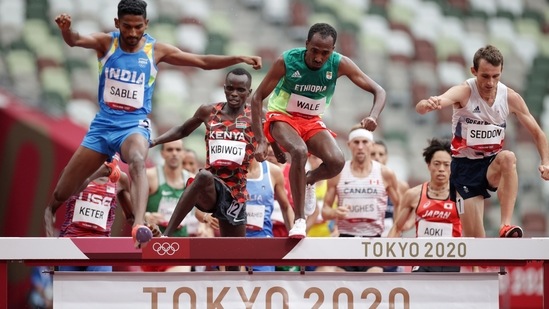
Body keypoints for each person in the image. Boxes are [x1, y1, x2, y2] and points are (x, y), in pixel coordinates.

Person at [45, 0, 261, 247]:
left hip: (133, 125)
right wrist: (65, 30)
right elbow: (75, 39)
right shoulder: (107, 43)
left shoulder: (155, 50)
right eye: (127, 27)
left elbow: (201, 61)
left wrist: (238, 57)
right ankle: (50, 210)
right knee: (64, 190)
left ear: (146, 24)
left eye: (138, 27)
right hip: (103, 125)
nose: (133, 33)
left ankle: (138, 223)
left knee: (138, 158)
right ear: (117, 24)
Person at [251, 22, 387, 238]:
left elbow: (378, 90)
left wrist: (373, 116)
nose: (318, 58)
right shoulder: (287, 61)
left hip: (311, 120)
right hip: (281, 117)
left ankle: (309, 179)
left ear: (332, 51)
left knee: (337, 162)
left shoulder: (339, 64)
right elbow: (256, 98)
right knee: (299, 151)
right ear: (306, 44)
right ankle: (299, 221)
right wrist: (261, 140)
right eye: (314, 50)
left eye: (325, 53)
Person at [416, 45, 549, 238]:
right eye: (485, 76)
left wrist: (545, 161)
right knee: (476, 239)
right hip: (464, 167)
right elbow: (425, 106)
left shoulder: (510, 97)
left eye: (496, 76)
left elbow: (538, 133)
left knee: (508, 158)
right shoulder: (464, 91)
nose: (490, 82)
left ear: (501, 72)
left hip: (490, 163)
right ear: (474, 71)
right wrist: (428, 104)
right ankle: (478, 267)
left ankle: (506, 225)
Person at [151, 68, 256, 271]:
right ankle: (167, 234)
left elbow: (272, 140)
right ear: (224, 89)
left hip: (236, 195)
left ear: (248, 92)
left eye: (240, 90)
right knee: (203, 176)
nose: (234, 94)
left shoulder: (256, 118)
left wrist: (271, 150)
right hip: (212, 189)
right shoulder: (209, 111)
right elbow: (182, 130)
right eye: (231, 89)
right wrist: (155, 140)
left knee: (233, 262)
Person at [321, 126, 400, 273]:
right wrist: (335, 213)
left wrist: (393, 233)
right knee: (342, 292)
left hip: (373, 241)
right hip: (346, 240)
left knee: (373, 291)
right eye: (356, 142)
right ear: (349, 145)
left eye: (365, 142)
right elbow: (325, 211)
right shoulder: (338, 173)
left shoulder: (385, 173)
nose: (361, 147)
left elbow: (401, 206)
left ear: (372, 144)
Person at [389, 138, 461, 272]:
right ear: (429, 165)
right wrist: (386, 260)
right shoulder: (413, 194)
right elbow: (397, 228)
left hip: (451, 260)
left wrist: (475, 269)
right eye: (437, 164)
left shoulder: (460, 196)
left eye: (446, 165)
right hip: (422, 260)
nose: (441, 169)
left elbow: (472, 233)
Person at [143, 139, 193, 272]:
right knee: (150, 291)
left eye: (178, 150)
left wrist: (205, 223)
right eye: (170, 150)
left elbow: (201, 211)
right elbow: (130, 211)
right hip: (152, 246)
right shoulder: (150, 176)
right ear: (162, 153)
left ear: (183, 153)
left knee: (174, 286)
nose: (174, 153)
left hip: (180, 245)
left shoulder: (193, 180)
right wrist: (146, 216)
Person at [246, 157, 294, 272]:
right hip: (234, 241)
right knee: (236, 287)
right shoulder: (227, 171)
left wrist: (294, 232)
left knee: (264, 287)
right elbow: (201, 210)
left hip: (263, 242)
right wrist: (207, 217)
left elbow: (286, 207)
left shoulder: (273, 171)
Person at [370, 140, 410, 236]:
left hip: (391, 237)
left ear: (386, 158)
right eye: (373, 154)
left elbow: (408, 211)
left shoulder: (401, 187)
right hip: (367, 235)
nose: (377, 157)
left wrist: (400, 229)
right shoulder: (360, 185)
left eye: (381, 154)